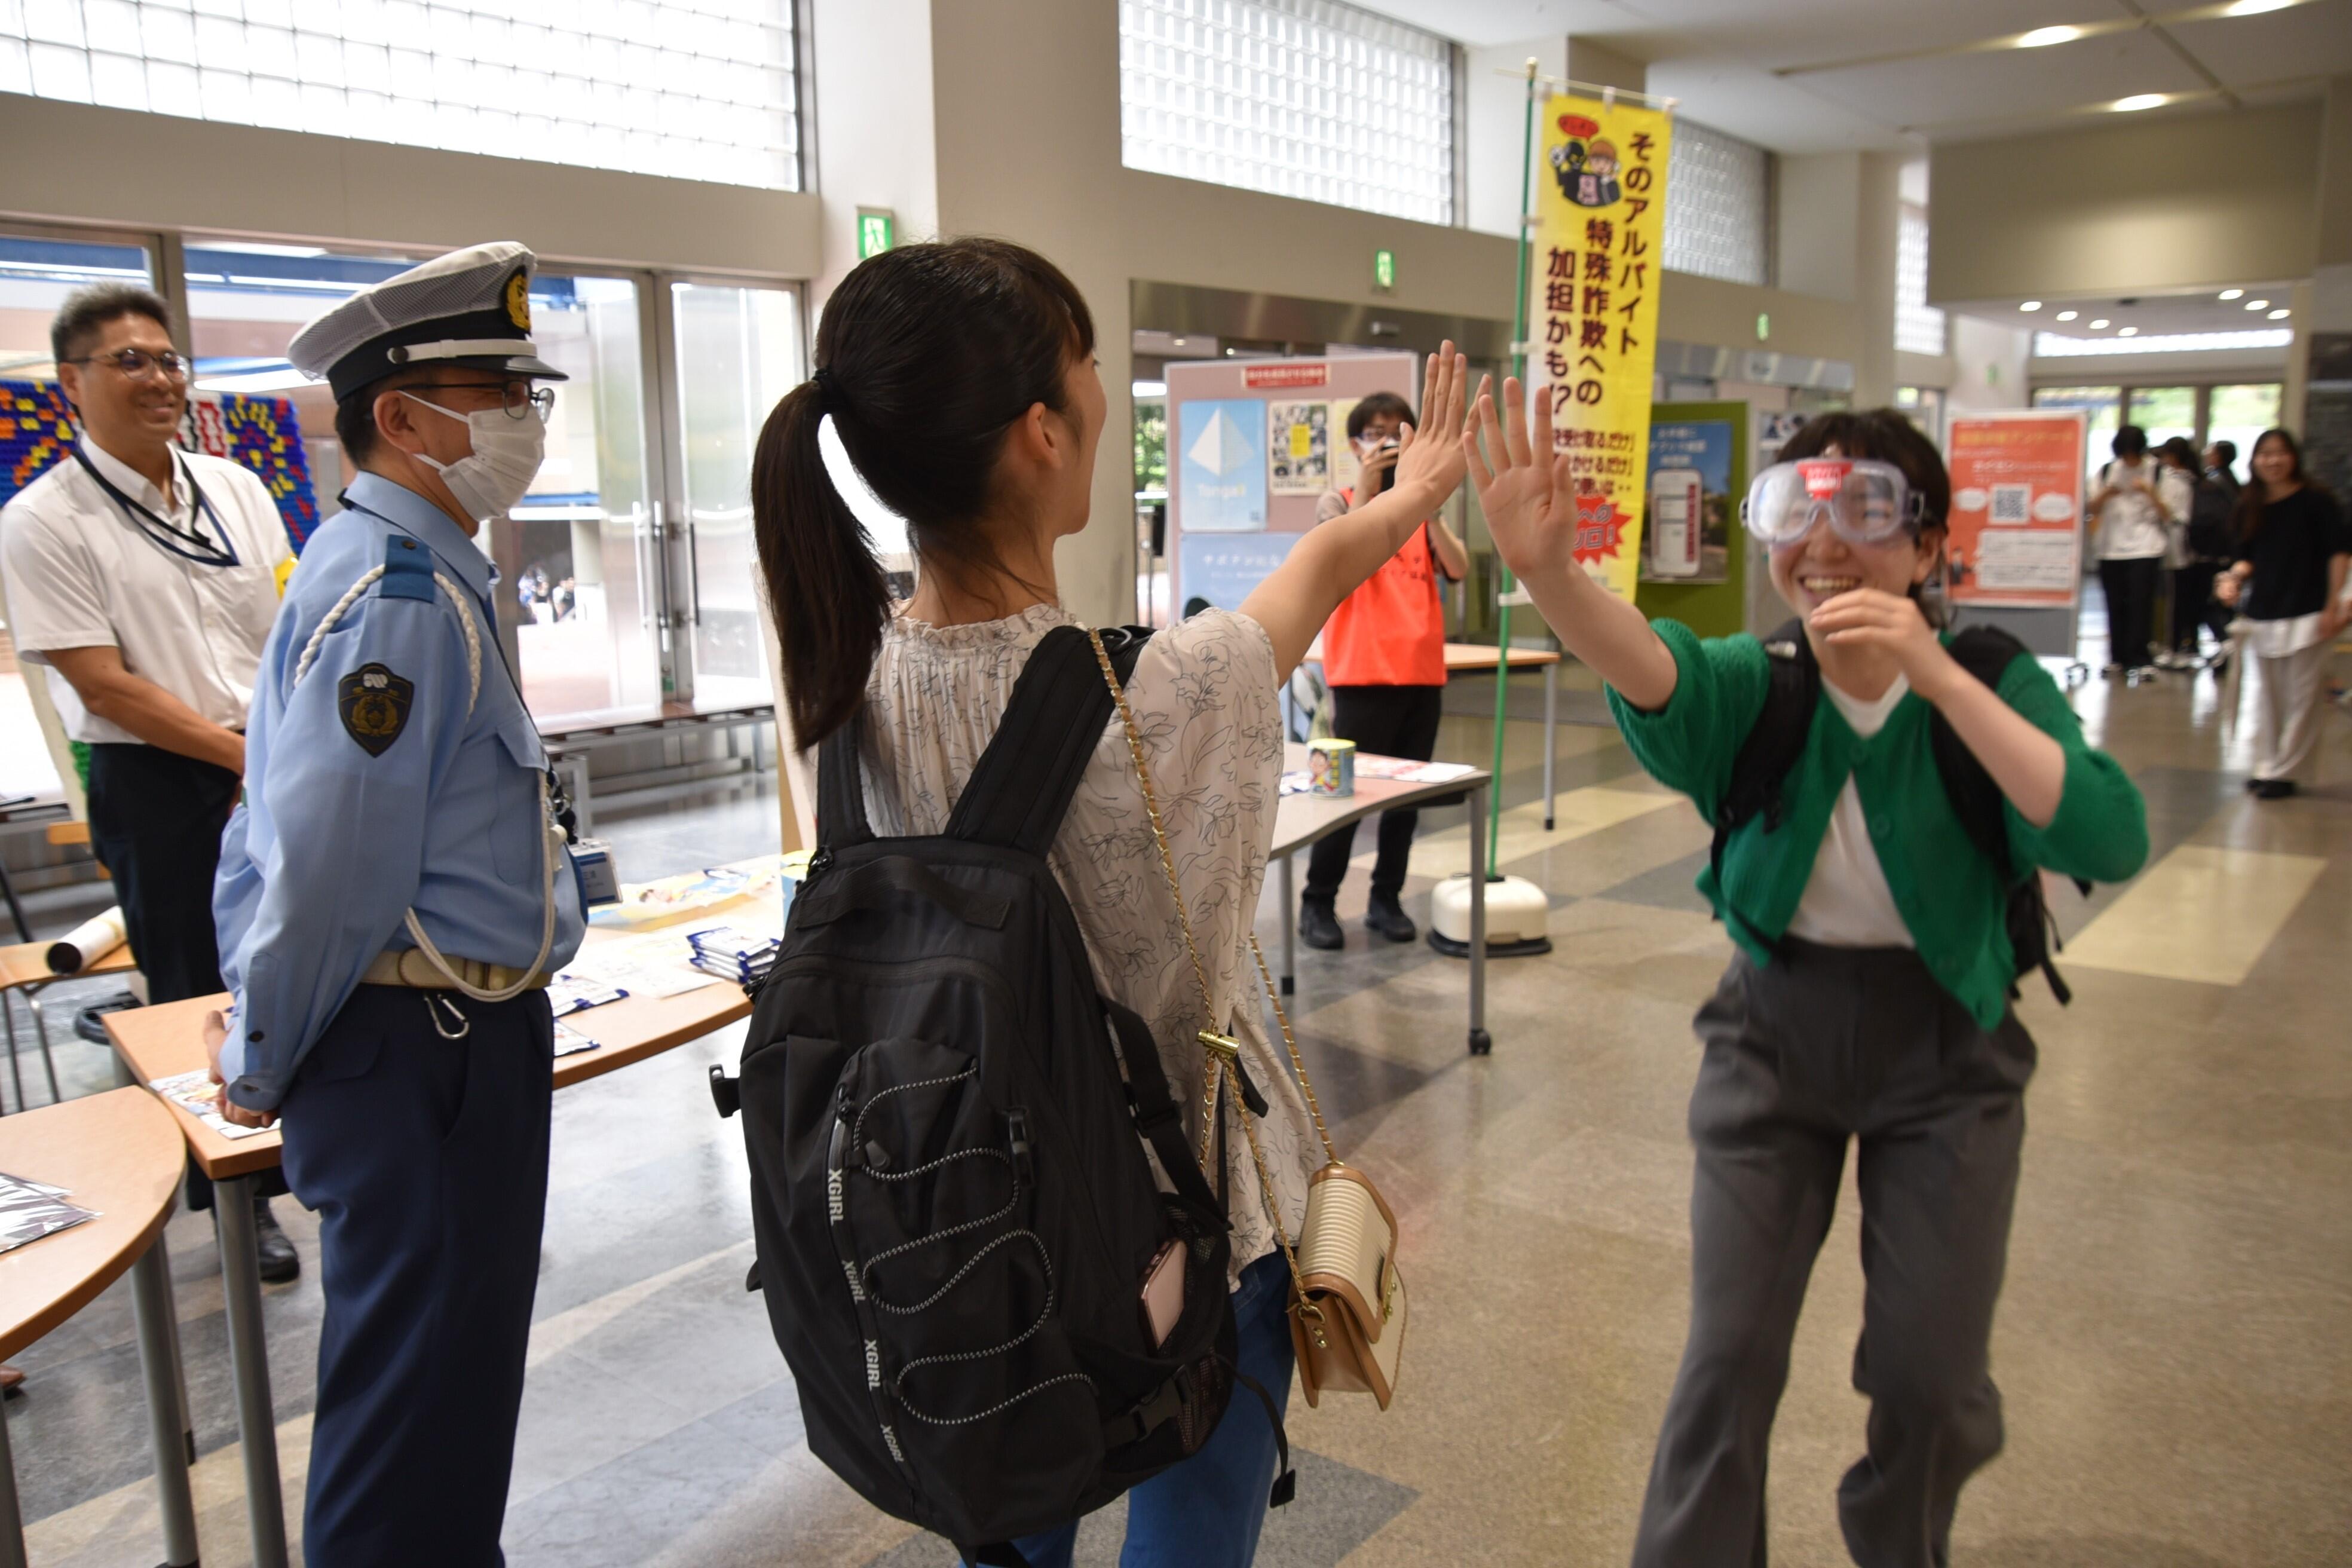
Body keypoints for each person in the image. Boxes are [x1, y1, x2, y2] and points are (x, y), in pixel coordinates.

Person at [751, 237, 1477, 1568]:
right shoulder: (1157, 693)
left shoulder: (834, 691)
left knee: (1010, 1525)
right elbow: (1309, 583)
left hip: (959, 1231)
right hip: (1176, 1233)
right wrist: (1412, 495)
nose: (1095, 383)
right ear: (1042, 430)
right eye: (1085, 359)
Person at [1461, 390, 2148, 1567]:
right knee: (1726, 1354)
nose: (1823, 542)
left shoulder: (1987, 679)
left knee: (1932, 1375)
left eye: (1867, 508)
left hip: (1951, 1054)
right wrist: (1554, 578)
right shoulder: (1763, 681)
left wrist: (1936, 675)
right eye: (1796, 508)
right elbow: (1659, 672)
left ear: (1928, 546)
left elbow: (2107, 832)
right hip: (1771, 1041)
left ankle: (1897, 1540)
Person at [207, 241, 587, 1565]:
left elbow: (264, 830)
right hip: (423, 1053)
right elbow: (326, 871)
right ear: (405, 419)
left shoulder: (390, 566)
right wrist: (260, 1054)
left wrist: (259, 1017)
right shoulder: (401, 600)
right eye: (498, 394)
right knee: (415, 1417)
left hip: (429, 1041)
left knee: (443, 1402)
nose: (525, 420)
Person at [0, 283, 301, 1281]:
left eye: (169, 358)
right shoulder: (44, 519)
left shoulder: (237, 489)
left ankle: (305, 1145)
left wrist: (286, 746)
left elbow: (288, 626)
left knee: (295, 956)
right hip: (159, 775)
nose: (160, 378)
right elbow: (103, 684)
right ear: (72, 380)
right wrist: (245, 758)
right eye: (129, 360)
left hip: (269, 752)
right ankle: (237, 1198)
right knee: (190, 986)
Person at [1298, 391, 1469, 950]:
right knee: (1344, 797)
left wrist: (1427, 505)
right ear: (1356, 445)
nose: (1387, 443)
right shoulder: (1339, 502)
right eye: (1375, 433)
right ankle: (1317, 902)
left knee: (1405, 801)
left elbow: (1459, 568)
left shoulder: (1420, 512)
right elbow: (1334, 557)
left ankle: (1386, 899)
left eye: (1398, 433)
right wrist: (1369, 491)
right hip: (1361, 673)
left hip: (1421, 674)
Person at [2215, 427, 2351, 800]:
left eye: (2280, 453)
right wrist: (2233, 578)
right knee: (2269, 697)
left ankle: (2287, 772)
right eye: (2265, 454)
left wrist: (2334, 604)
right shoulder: (2251, 504)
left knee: (2303, 697)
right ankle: (2269, 765)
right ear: (2254, 460)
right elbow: (2247, 557)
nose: (2272, 461)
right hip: (2265, 612)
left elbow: (2339, 553)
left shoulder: (2317, 501)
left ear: (2294, 457)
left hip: (2310, 609)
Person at [2090, 424, 2172, 679]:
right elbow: (2091, 508)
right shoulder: (2107, 471)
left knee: (2141, 603)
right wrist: (2106, 493)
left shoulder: (2157, 471)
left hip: (2147, 547)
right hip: (2110, 548)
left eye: (2133, 455)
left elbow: (2169, 515)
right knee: (2115, 603)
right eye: (2124, 455)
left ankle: (2142, 657)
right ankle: (2118, 658)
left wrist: (2150, 493)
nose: (2129, 460)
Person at [2158, 436, 2230, 669]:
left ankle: (2200, 644)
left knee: (2190, 602)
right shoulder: (2208, 481)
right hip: (2202, 552)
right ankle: (2193, 645)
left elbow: (2174, 515)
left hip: (2185, 550)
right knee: (2197, 600)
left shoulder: (2180, 481)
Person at [2203, 438, 2241, 503]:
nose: (2207, 454)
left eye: (2212, 452)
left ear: (2219, 456)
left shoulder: (2213, 481)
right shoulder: (2230, 476)